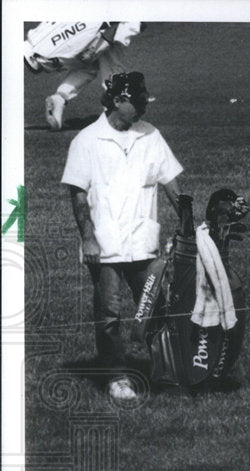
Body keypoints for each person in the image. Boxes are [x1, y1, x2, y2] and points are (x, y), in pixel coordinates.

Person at [61, 71, 184, 402]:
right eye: (137, 102)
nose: (143, 107)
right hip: (106, 247)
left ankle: (166, 370)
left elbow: (171, 182)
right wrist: (88, 239)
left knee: (156, 308)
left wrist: (187, 224)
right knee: (110, 314)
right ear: (117, 101)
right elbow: (78, 195)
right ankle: (116, 377)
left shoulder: (151, 135)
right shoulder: (86, 141)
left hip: (144, 242)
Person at [24, 22, 144, 131]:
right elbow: (114, 26)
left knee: (88, 68)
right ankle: (115, 114)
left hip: (77, 33)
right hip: (100, 32)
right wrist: (95, 47)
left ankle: (60, 97)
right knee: (114, 70)